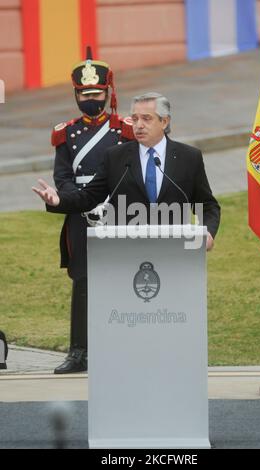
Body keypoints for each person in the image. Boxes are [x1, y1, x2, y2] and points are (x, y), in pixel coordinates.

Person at [33, 92, 220, 251]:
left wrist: (207, 233)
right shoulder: (116, 157)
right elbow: (89, 197)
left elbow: (207, 205)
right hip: (128, 250)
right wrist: (59, 199)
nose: (138, 125)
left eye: (146, 119)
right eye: (135, 118)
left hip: (176, 248)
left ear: (164, 121)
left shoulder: (189, 157)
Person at [50, 47, 134, 374]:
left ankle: (118, 347)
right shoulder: (66, 133)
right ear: (76, 94)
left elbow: (129, 172)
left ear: (108, 92)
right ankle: (78, 352)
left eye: (97, 92)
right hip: (80, 215)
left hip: (115, 212)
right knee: (82, 281)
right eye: (85, 93)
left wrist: (106, 204)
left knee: (118, 278)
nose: (91, 98)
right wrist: (81, 202)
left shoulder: (123, 129)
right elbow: (62, 176)